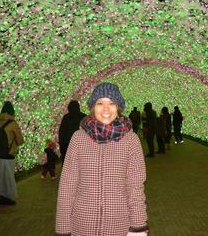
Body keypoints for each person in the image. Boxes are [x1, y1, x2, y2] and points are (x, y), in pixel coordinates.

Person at [55, 82, 149, 236]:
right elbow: (67, 186)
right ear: (93, 107)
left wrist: (138, 226)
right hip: (82, 225)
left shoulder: (131, 140)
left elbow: (135, 187)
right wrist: (63, 228)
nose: (106, 109)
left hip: (119, 225)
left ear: (118, 107)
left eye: (111, 103)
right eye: (100, 103)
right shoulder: (78, 138)